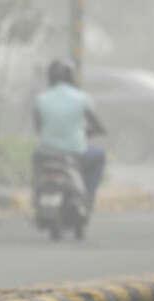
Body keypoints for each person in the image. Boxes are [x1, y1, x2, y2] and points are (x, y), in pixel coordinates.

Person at [32, 58, 107, 199]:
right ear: (71, 78)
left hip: (46, 153)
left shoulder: (41, 99)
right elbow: (97, 126)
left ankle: (36, 194)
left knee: (35, 158)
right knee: (99, 156)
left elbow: (38, 128)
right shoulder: (82, 98)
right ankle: (88, 197)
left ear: (50, 78)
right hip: (75, 153)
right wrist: (85, 133)